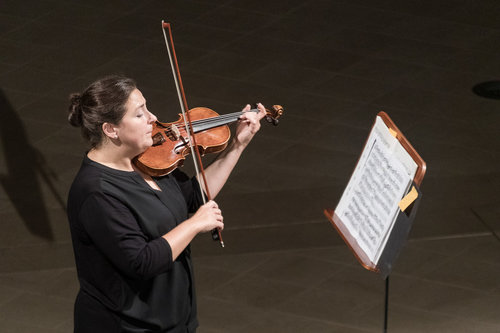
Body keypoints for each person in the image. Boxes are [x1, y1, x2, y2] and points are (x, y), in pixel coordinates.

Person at [66, 75, 265, 332]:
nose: (153, 118)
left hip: (173, 320)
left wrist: (237, 146)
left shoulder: (147, 160)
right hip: (126, 326)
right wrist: (194, 225)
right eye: (139, 114)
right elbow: (142, 261)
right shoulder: (96, 192)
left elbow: (193, 196)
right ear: (110, 129)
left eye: (147, 108)